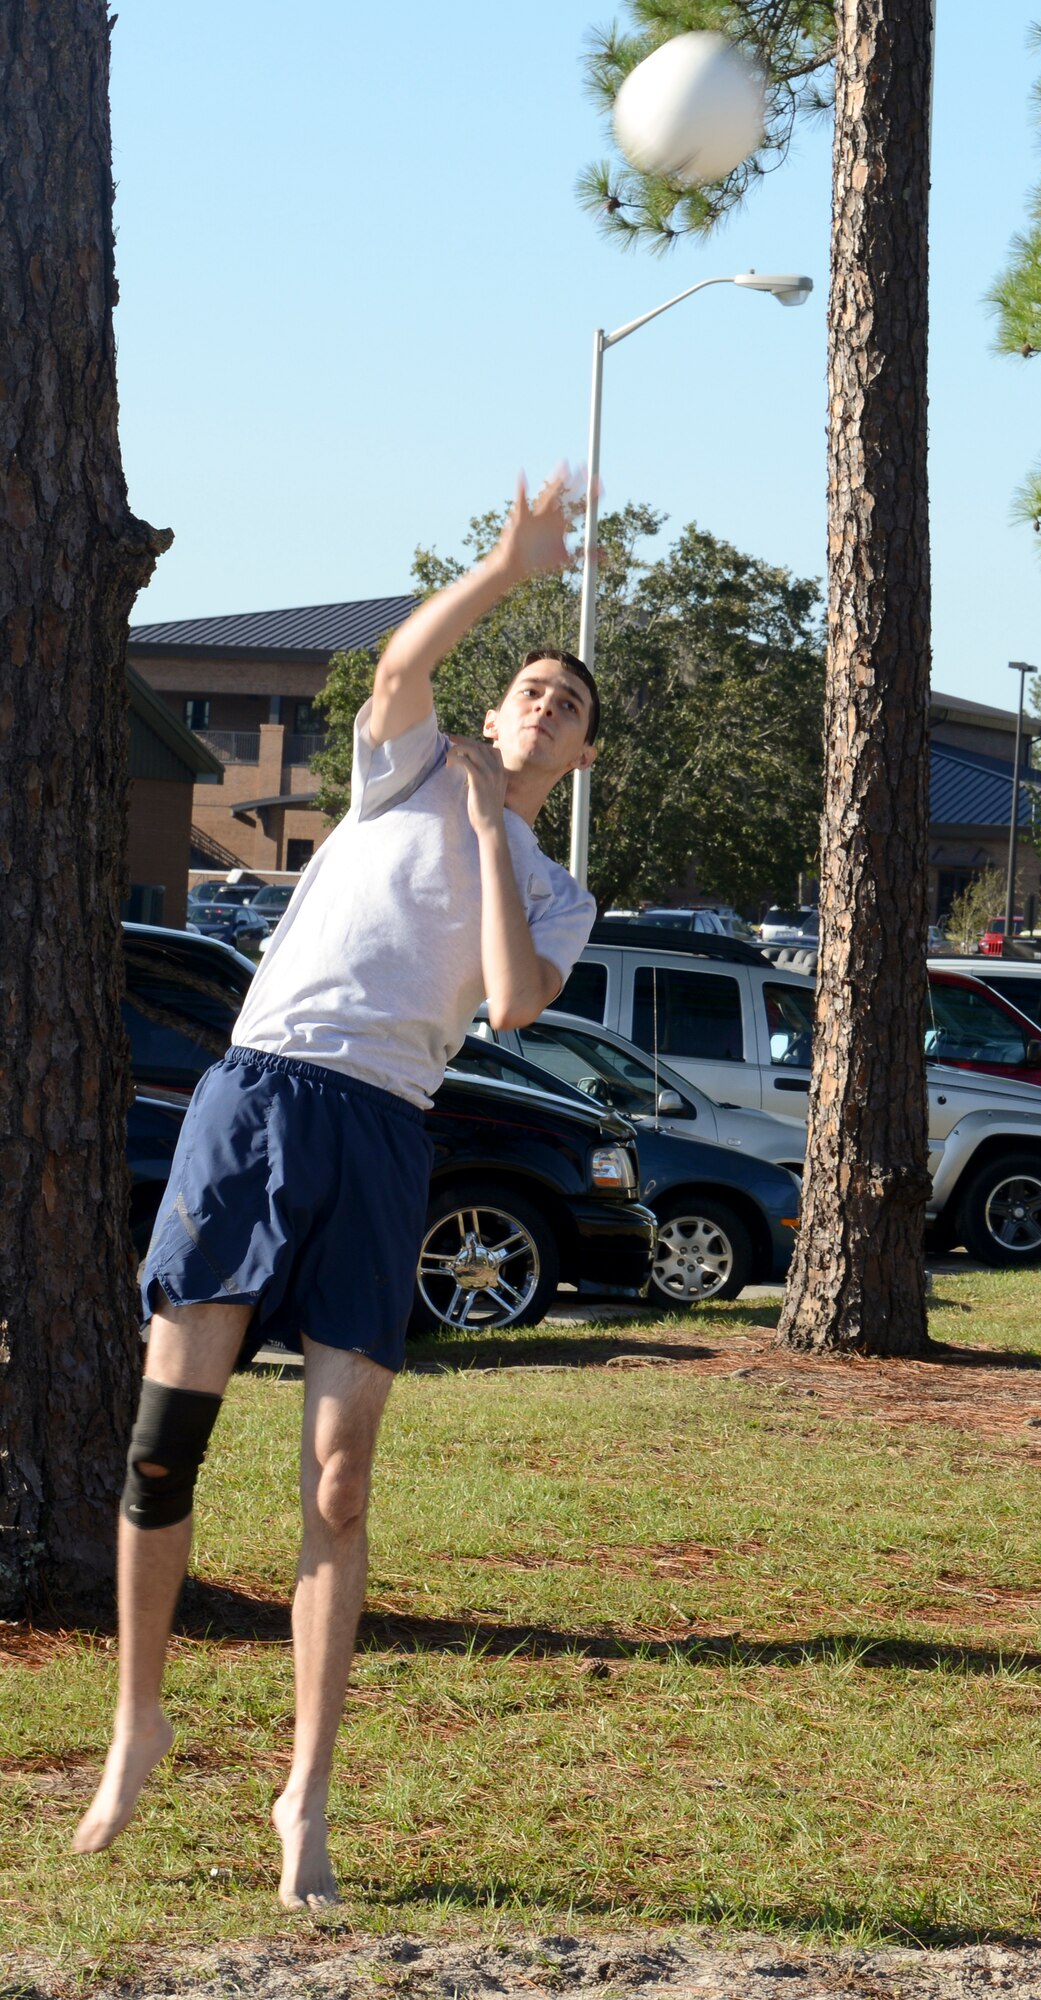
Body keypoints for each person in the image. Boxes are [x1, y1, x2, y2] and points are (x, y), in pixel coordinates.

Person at [73, 469, 599, 1909]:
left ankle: (307, 1796)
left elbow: (506, 1004)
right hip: (259, 1098)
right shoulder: (404, 764)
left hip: (382, 1135)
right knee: (163, 1443)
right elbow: (399, 662)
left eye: (571, 706)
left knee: (340, 1479)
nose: (544, 707)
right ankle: (137, 1728)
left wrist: (497, 834)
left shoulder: (554, 887)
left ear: (579, 754)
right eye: (531, 690)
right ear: (494, 711)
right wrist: (506, 567)